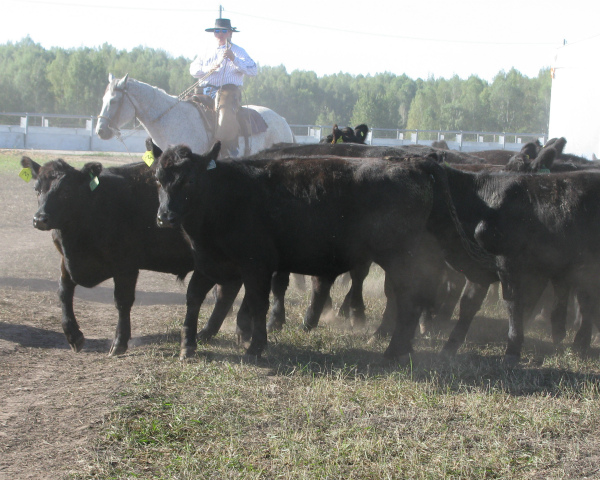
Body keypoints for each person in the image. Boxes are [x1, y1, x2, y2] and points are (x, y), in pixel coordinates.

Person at [189, 18, 257, 99]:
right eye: (217, 31)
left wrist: (234, 59)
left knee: (224, 110)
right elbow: (193, 70)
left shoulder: (239, 51)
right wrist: (208, 69)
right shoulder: (205, 51)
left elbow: (253, 71)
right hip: (204, 92)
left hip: (229, 94)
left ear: (230, 33)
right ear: (214, 33)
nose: (220, 34)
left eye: (224, 31)